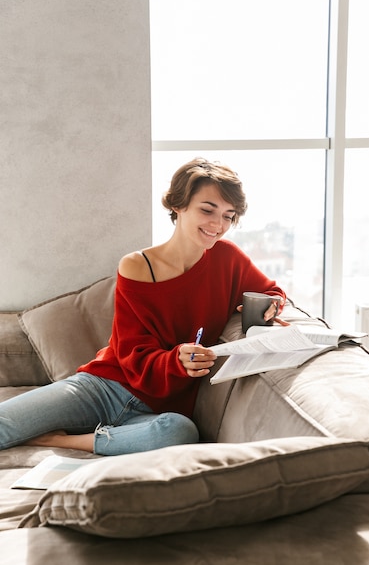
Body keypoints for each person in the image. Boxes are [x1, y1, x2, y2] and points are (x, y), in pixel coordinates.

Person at [0, 158, 286, 456]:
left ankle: (58, 440)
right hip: (102, 388)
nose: (218, 225)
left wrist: (273, 304)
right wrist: (176, 361)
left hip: (159, 409)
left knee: (179, 432)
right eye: (207, 210)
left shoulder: (228, 259)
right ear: (178, 205)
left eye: (228, 216)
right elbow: (131, 352)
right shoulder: (137, 266)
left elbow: (269, 291)